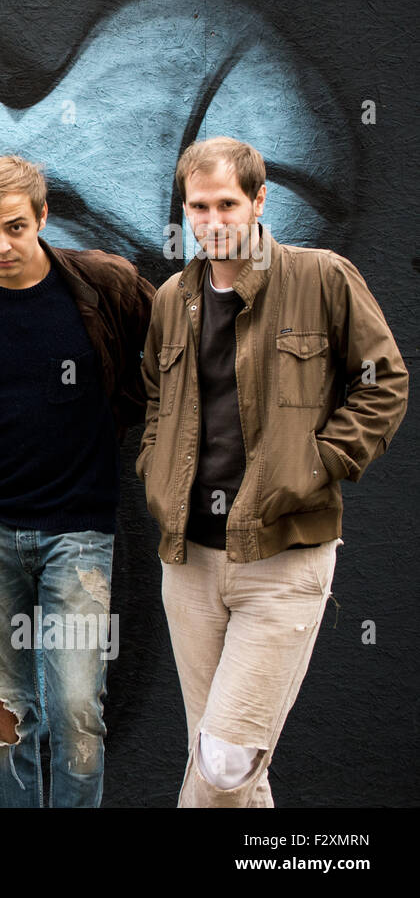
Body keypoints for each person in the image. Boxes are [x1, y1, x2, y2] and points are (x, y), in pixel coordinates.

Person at [139, 136, 407, 806]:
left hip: (284, 556)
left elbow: (383, 384)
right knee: (223, 762)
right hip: (190, 560)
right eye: (197, 207)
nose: (212, 220)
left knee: (227, 761)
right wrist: (155, 469)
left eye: (227, 203)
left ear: (259, 201)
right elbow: (154, 399)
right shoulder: (173, 297)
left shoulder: (322, 278)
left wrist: (319, 464)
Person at [0, 155, 155, 807]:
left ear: (43, 218)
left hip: (79, 533)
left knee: (79, 708)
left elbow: (161, 360)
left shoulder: (104, 283)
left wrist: (122, 420)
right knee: (4, 712)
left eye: (15, 227)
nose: (1, 244)